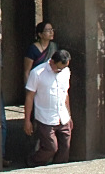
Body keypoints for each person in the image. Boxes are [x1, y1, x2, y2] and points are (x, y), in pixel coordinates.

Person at [25, 23, 73, 164]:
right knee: (51, 147)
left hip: (62, 116)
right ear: (51, 62)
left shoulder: (65, 72)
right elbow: (29, 96)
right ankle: (33, 161)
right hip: (45, 117)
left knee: (65, 147)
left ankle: (59, 168)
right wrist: (27, 120)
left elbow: (65, 93)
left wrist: (69, 115)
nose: (60, 71)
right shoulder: (37, 73)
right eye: (58, 68)